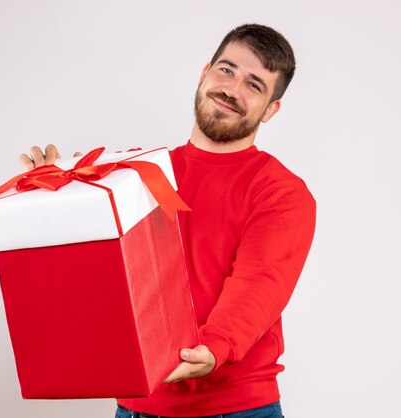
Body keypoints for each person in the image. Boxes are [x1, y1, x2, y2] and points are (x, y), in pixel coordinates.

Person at [20, 24, 316, 418]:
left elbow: (260, 283)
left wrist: (214, 346)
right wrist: (55, 198)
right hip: (135, 407)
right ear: (204, 72)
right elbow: (93, 272)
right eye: (226, 70)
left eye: (254, 85)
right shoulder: (137, 176)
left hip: (234, 409)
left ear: (271, 109)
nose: (231, 89)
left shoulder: (280, 191)